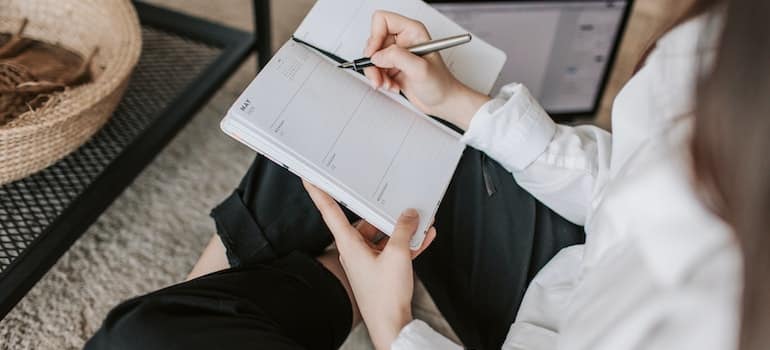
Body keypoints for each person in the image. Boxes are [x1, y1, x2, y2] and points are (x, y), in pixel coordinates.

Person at [85, 0, 769, 348]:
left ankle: (267, 290)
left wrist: (397, 326)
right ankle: (297, 277)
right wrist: (463, 106)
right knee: (353, 112)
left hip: (558, 326)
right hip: (578, 269)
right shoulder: (727, 44)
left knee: (146, 336)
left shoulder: (718, 319)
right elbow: (628, 181)